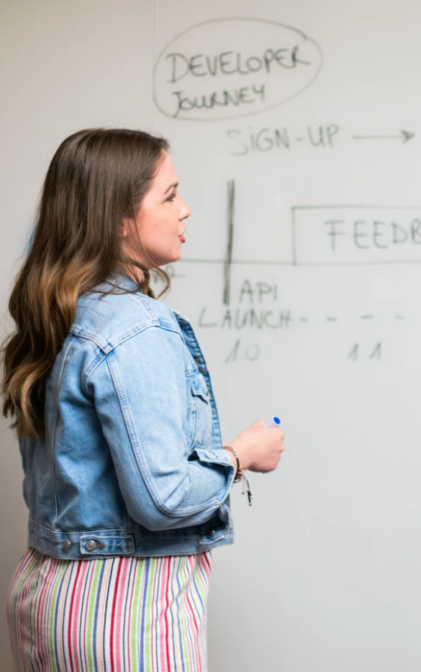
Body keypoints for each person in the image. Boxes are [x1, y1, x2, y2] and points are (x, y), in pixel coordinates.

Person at [2, 128, 285, 671]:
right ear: (118, 218)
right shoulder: (137, 325)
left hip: (46, 593)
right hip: (124, 607)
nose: (186, 210)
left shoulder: (61, 314)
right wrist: (243, 453)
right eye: (170, 195)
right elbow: (163, 499)